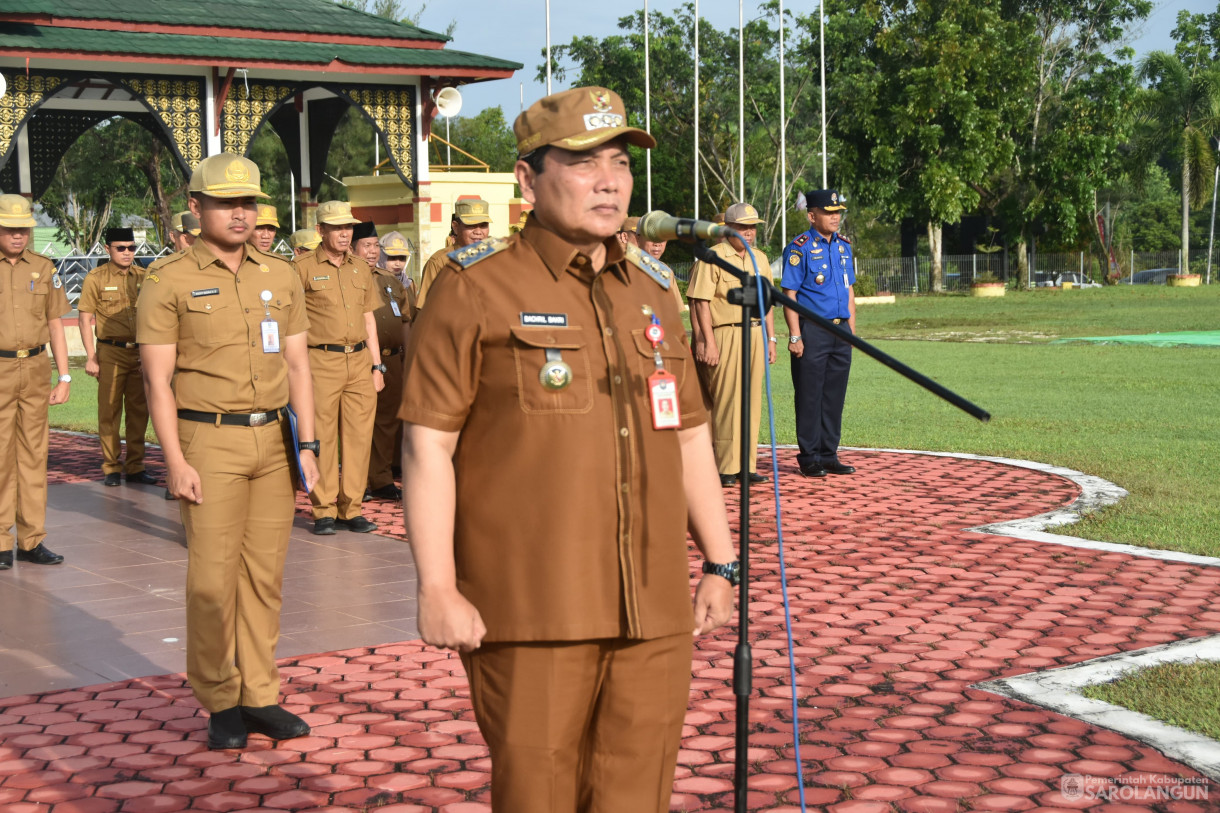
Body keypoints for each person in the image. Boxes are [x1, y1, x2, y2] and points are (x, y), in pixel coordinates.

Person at [399, 86, 736, 813]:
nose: (610, 180)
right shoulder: (473, 287)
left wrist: (719, 558)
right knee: (539, 796)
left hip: (651, 607)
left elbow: (687, 432)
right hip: (531, 610)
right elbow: (427, 445)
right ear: (528, 179)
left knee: (636, 796)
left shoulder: (653, 289)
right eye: (584, 163)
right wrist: (436, 586)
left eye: (619, 161)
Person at [137, 153, 320, 749]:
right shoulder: (168, 280)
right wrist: (175, 459)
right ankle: (220, 699)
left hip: (273, 439)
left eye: (249, 204)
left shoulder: (280, 274)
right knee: (212, 580)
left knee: (265, 577)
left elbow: (297, 364)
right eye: (226, 203)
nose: (241, 214)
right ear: (196, 207)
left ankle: (260, 695)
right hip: (207, 440)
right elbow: (156, 381)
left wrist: (309, 444)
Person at [293, 201, 383, 535]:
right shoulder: (301, 268)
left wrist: (377, 366)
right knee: (323, 437)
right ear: (321, 231)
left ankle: (352, 507)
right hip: (321, 360)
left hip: (359, 360)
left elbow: (368, 317)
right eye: (337, 228)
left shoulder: (360, 268)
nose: (345, 234)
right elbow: (294, 324)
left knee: (360, 436)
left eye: (348, 228)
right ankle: (324, 509)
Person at [0, 194, 71, 570]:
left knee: (33, 455)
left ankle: (31, 540)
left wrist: (64, 375)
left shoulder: (44, 268)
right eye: (11, 229)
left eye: (24, 229)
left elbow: (56, 323)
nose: (18, 236)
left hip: (36, 366)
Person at [686, 202, 777, 487]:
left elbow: (769, 301)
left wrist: (771, 338)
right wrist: (707, 342)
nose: (749, 233)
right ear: (728, 228)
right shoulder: (712, 256)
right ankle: (726, 466)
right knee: (726, 401)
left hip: (755, 332)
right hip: (725, 333)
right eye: (743, 228)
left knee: (751, 400)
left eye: (752, 228)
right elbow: (700, 301)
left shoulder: (760, 258)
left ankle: (747, 465)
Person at [781, 189, 856, 477]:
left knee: (834, 395)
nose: (835, 216)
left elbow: (849, 289)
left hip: (841, 330)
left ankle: (829, 454)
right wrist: (795, 335)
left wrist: (852, 331)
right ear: (812, 216)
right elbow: (789, 293)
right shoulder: (799, 247)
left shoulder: (843, 246)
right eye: (829, 212)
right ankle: (809, 456)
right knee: (810, 395)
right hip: (813, 330)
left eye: (838, 211)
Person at [77, 227, 154, 487]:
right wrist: (91, 356)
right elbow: (85, 317)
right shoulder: (95, 278)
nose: (127, 253)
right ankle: (111, 467)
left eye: (131, 248)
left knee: (138, 411)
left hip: (139, 352)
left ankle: (135, 466)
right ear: (108, 248)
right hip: (110, 351)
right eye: (120, 248)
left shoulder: (145, 276)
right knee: (109, 410)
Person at [362, 228, 413, 501]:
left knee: (387, 421)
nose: (371, 251)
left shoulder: (389, 281)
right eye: (366, 246)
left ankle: (381, 478)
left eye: (373, 246)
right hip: (361, 357)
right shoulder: (352, 277)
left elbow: (404, 320)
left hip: (393, 357)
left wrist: (407, 357)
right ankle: (358, 481)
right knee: (360, 421)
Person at [415, 198, 490, 309]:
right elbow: (425, 308)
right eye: (471, 225)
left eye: (483, 225)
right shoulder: (439, 262)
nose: (478, 232)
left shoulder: (496, 257)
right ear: (455, 227)